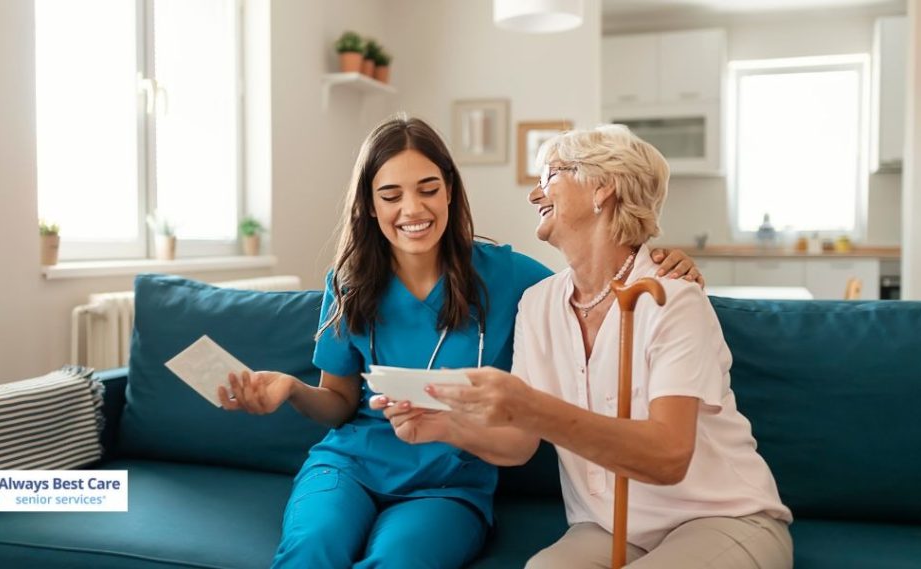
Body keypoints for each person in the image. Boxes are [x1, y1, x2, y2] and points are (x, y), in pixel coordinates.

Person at [217, 117, 702, 568]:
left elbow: (596, 281)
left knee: (398, 561)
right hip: (349, 466)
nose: (412, 209)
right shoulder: (348, 282)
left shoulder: (510, 277)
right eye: (390, 195)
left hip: (449, 484)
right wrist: (291, 390)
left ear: (450, 191)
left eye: (428, 189)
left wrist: (658, 259)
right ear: (369, 205)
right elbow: (340, 403)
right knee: (311, 550)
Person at [425, 124, 793, 569]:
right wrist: (442, 426)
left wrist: (531, 406)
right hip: (608, 526)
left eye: (549, 177)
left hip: (720, 518)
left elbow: (668, 457)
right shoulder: (538, 305)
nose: (533, 195)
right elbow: (520, 443)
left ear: (602, 188)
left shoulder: (671, 297)